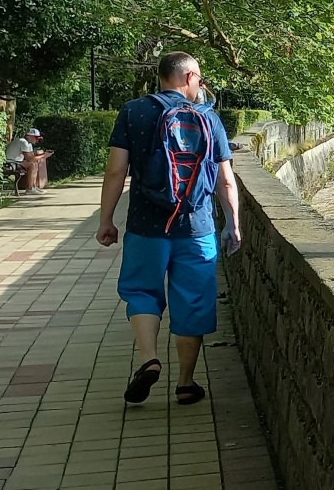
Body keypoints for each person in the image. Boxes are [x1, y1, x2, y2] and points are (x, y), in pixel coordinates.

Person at [96, 52, 241, 405]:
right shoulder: (209, 117)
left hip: (146, 226)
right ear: (189, 77)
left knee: (142, 292)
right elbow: (225, 181)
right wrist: (233, 224)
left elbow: (116, 171)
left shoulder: (134, 112)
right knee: (192, 301)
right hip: (197, 227)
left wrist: (106, 219)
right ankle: (187, 383)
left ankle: (149, 360)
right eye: (200, 80)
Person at [6, 128, 53, 194]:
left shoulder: (28, 144)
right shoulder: (23, 142)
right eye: (36, 138)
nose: (37, 140)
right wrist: (44, 156)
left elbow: (32, 157)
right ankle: (30, 188)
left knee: (34, 163)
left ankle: (33, 187)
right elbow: (30, 159)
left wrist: (43, 154)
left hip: (16, 162)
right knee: (32, 165)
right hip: (10, 163)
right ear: (29, 136)